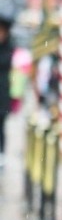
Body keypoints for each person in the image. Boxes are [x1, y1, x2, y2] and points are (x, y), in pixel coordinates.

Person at [0, 18, 13, 166]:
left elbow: (6, 62)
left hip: (2, 93)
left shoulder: (8, 47)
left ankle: (2, 152)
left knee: (1, 125)